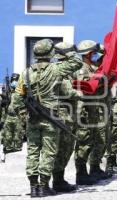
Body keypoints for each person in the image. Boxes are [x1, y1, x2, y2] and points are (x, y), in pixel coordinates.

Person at [13, 38, 83, 197]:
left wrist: (23, 114)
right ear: (51, 53)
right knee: (49, 152)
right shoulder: (56, 69)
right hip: (51, 118)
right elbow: (77, 62)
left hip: (33, 117)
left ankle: (33, 187)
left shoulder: (26, 72)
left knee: (33, 151)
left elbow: (17, 97)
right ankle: (43, 186)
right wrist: (65, 51)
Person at [74, 40, 111, 185]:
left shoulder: (91, 67)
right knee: (84, 141)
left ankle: (94, 168)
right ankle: (81, 173)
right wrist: (100, 81)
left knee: (95, 140)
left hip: (94, 109)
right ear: (88, 53)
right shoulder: (81, 69)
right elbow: (87, 87)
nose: (96, 55)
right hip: (85, 111)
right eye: (94, 53)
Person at [51, 42, 83, 192]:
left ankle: (59, 179)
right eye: (71, 52)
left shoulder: (64, 69)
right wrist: (84, 94)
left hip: (67, 114)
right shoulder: (60, 71)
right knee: (64, 148)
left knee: (65, 148)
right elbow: (67, 92)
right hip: (63, 115)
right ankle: (58, 181)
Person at [1, 73, 27, 154]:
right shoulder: (7, 93)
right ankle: (8, 147)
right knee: (7, 133)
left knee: (18, 133)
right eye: (13, 80)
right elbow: (3, 105)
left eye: (16, 80)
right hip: (8, 116)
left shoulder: (21, 93)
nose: (14, 82)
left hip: (18, 116)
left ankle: (17, 147)